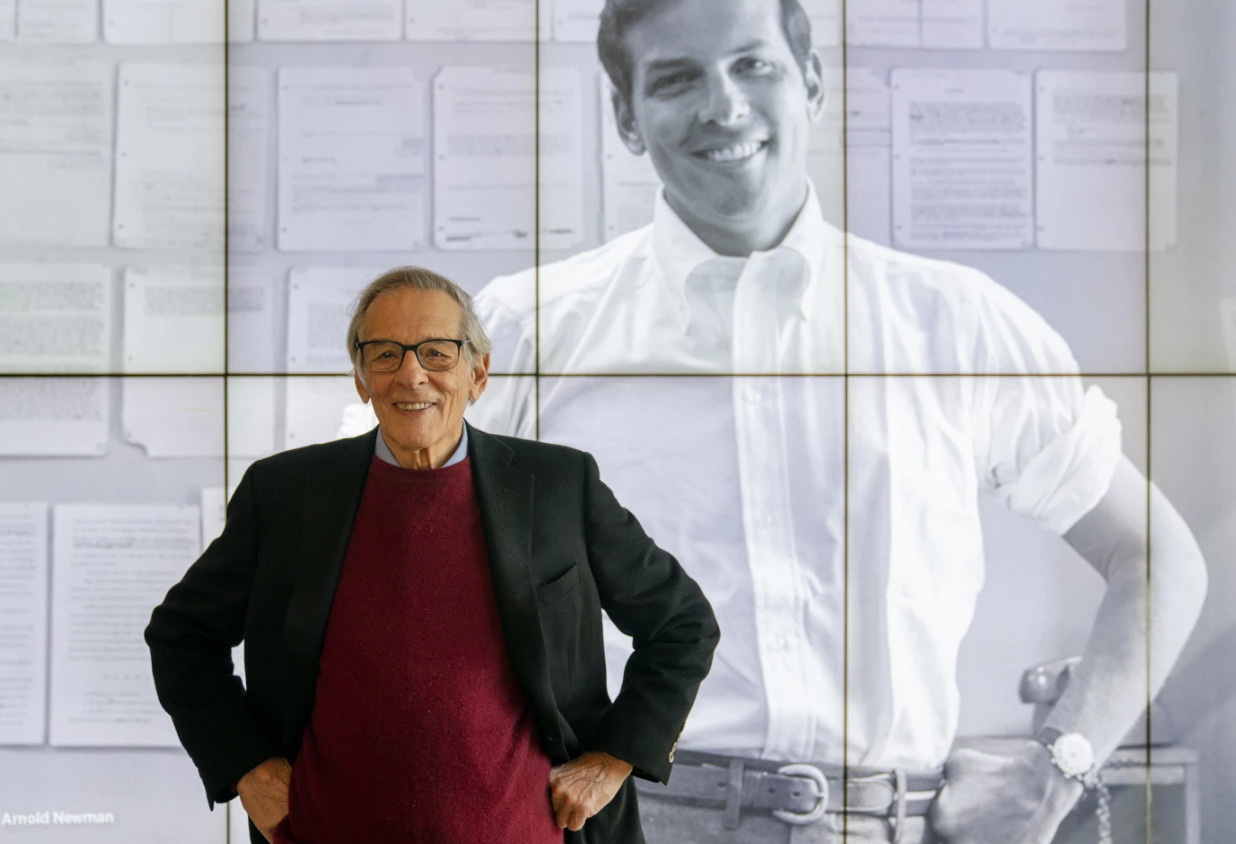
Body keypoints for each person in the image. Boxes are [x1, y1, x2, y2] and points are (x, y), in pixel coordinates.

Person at [454, 0, 1210, 841]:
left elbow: (1155, 557)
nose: (724, 105)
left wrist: (1058, 766)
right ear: (627, 118)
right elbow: (371, 558)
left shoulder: (954, 324)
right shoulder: (527, 331)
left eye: (754, 65)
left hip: (892, 822)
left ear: (810, 82)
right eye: (675, 78)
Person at [144, 267, 720, 844]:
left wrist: (616, 757)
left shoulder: (560, 485)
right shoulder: (285, 494)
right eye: (386, 354)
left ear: (479, 373)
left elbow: (682, 625)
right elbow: (182, 634)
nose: (411, 374)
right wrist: (245, 766)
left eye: (437, 353)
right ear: (362, 378)